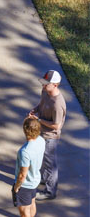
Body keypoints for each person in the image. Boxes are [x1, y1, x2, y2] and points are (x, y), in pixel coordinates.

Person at [3, 117, 44, 217]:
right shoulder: (41, 141)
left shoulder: (25, 151)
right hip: (35, 180)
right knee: (32, 204)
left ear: (25, 130)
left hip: (25, 185)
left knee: (24, 212)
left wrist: (16, 187)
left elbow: (22, 174)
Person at [28, 70, 66, 201]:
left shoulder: (58, 104)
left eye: (46, 84)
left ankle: (50, 192)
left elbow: (57, 126)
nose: (43, 86)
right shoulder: (45, 91)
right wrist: (35, 110)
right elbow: (41, 103)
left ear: (55, 85)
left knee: (50, 164)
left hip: (50, 136)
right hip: (41, 131)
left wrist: (38, 120)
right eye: (43, 83)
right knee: (43, 158)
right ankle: (44, 179)